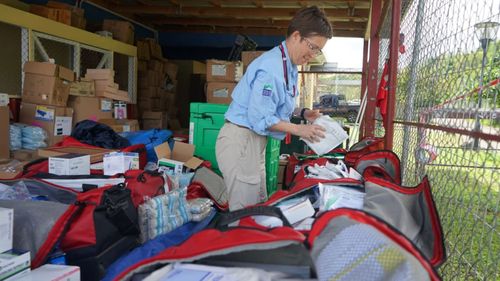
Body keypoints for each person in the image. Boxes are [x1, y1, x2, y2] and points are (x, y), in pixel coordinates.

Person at [215, 6, 333, 211]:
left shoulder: (290, 65)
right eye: (313, 47)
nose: (313, 55)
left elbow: (278, 104)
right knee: (245, 214)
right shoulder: (271, 68)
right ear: (297, 36)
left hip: (254, 142)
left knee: (259, 205)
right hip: (242, 141)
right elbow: (260, 118)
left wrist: (303, 113)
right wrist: (299, 129)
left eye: (318, 50)